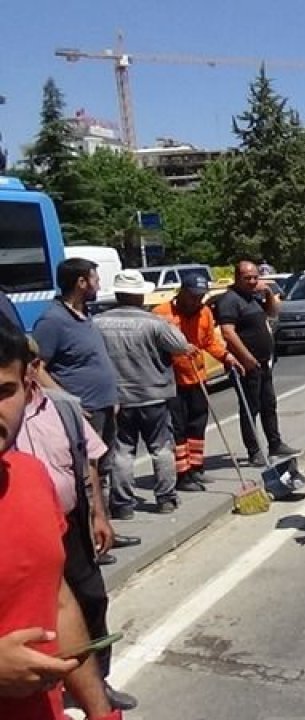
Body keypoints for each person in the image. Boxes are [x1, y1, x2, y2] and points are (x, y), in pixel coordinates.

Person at [0, 317, 119, 720]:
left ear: (27, 386)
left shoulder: (30, 477)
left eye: (4, 391)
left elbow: (59, 601)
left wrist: (101, 714)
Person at [30, 259, 129, 528]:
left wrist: (113, 397)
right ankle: (89, 536)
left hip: (104, 407)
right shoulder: (53, 321)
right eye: (95, 279)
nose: (99, 284)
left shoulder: (85, 316)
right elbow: (37, 369)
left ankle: (104, 527)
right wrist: (69, 403)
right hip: (83, 411)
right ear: (81, 282)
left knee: (102, 472)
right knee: (86, 474)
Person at [95, 270, 193, 517]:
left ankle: (123, 504)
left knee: (122, 451)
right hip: (154, 395)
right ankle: (166, 498)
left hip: (118, 398)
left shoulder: (97, 323)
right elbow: (181, 346)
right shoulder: (155, 323)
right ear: (140, 296)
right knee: (161, 448)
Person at [154, 275, 243, 491]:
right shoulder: (161, 314)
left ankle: (196, 468)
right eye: (193, 296)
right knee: (178, 428)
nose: (196, 301)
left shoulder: (204, 312)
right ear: (182, 292)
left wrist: (226, 357)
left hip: (197, 378)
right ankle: (182, 474)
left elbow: (209, 342)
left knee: (197, 424)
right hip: (172, 381)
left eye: (200, 297)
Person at [216, 261, 296, 465]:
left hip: (263, 362)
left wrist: (268, 293)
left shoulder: (253, 297)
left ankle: (275, 444)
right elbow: (228, 332)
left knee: (268, 404)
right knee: (250, 407)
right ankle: (254, 451)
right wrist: (246, 357)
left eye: (255, 277)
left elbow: (272, 313)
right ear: (237, 278)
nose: (252, 281)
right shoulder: (230, 300)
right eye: (247, 278)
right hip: (246, 365)